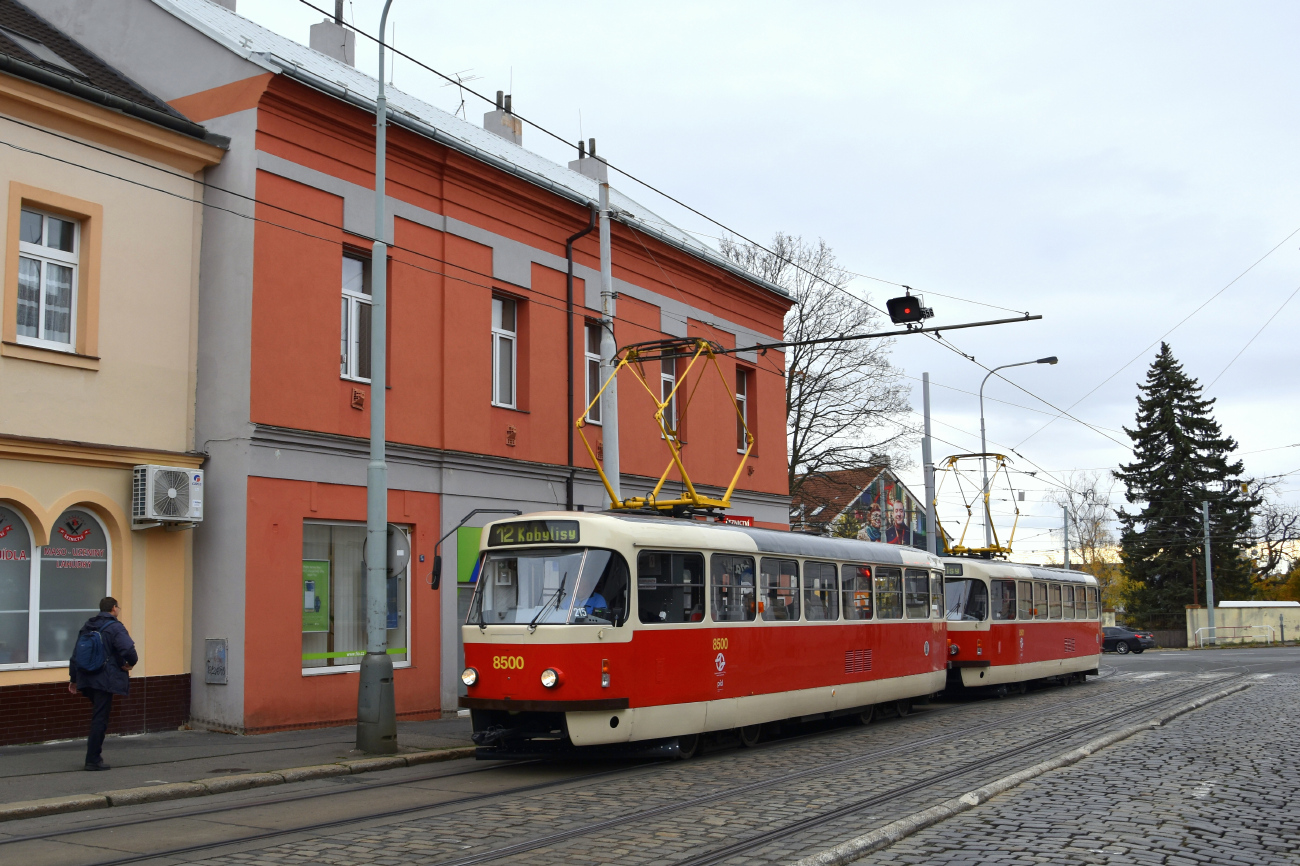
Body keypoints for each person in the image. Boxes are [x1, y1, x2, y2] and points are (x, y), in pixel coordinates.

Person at [67, 597, 137, 770]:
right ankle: (93, 760)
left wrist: (74, 679)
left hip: (86, 678)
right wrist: (131, 663)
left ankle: (93, 757)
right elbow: (128, 649)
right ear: (114, 608)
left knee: (98, 715)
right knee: (100, 718)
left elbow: (76, 653)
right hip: (104, 679)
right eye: (118, 607)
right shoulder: (115, 627)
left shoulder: (88, 625)